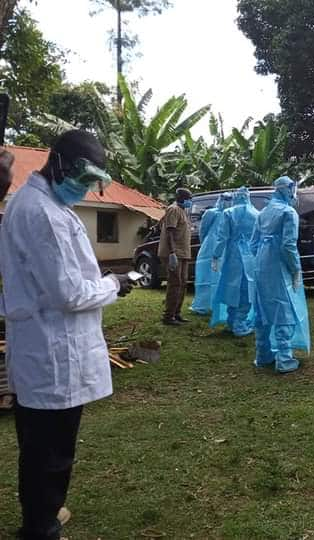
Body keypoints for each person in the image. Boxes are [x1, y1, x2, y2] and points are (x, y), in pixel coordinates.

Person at [0, 130, 133, 540]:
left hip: (46, 344)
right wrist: (115, 283)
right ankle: (40, 526)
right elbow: (70, 293)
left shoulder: (42, 202)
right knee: (50, 449)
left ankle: (44, 512)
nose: (83, 187)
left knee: (43, 445)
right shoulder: (41, 212)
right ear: (56, 162)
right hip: (51, 350)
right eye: (79, 176)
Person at [250, 176, 310, 373]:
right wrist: (295, 269)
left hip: (261, 264)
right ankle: (284, 359)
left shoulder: (263, 212)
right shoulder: (288, 212)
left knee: (263, 307)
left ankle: (263, 354)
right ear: (289, 189)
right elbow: (288, 244)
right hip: (278, 264)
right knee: (283, 307)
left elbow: (253, 244)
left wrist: (262, 256)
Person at [211, 188, 259, 336]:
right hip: (250, 256)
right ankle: (239, 323)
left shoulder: (228, 213)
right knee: (247, 289)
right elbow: (259, 237)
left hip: (232, 255)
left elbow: (222, 237)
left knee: (232, 287)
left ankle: (233, 321)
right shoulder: (256, 214)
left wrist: (216, 256)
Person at [190, 192, 233, 315]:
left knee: (222, 277)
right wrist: (205, 244)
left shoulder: (231, 214)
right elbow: (203, 230)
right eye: (225, 199)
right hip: (209, 247)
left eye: (230, 199)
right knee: (206, 276)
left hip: (225, 247)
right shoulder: (211, 213)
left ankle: (219, 305)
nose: (227, 201)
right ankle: (203, 305)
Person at [158, 187, 193, 326]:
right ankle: (168, 316)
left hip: (183, 253)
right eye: (188, 198)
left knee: (183, 283)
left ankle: (176, 313)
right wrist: (172, 253)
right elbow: (170, 232)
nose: (190, 201)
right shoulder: (173, 209)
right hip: (174, 253)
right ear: (181, 198)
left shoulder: (183, 211)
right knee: (175, 283)